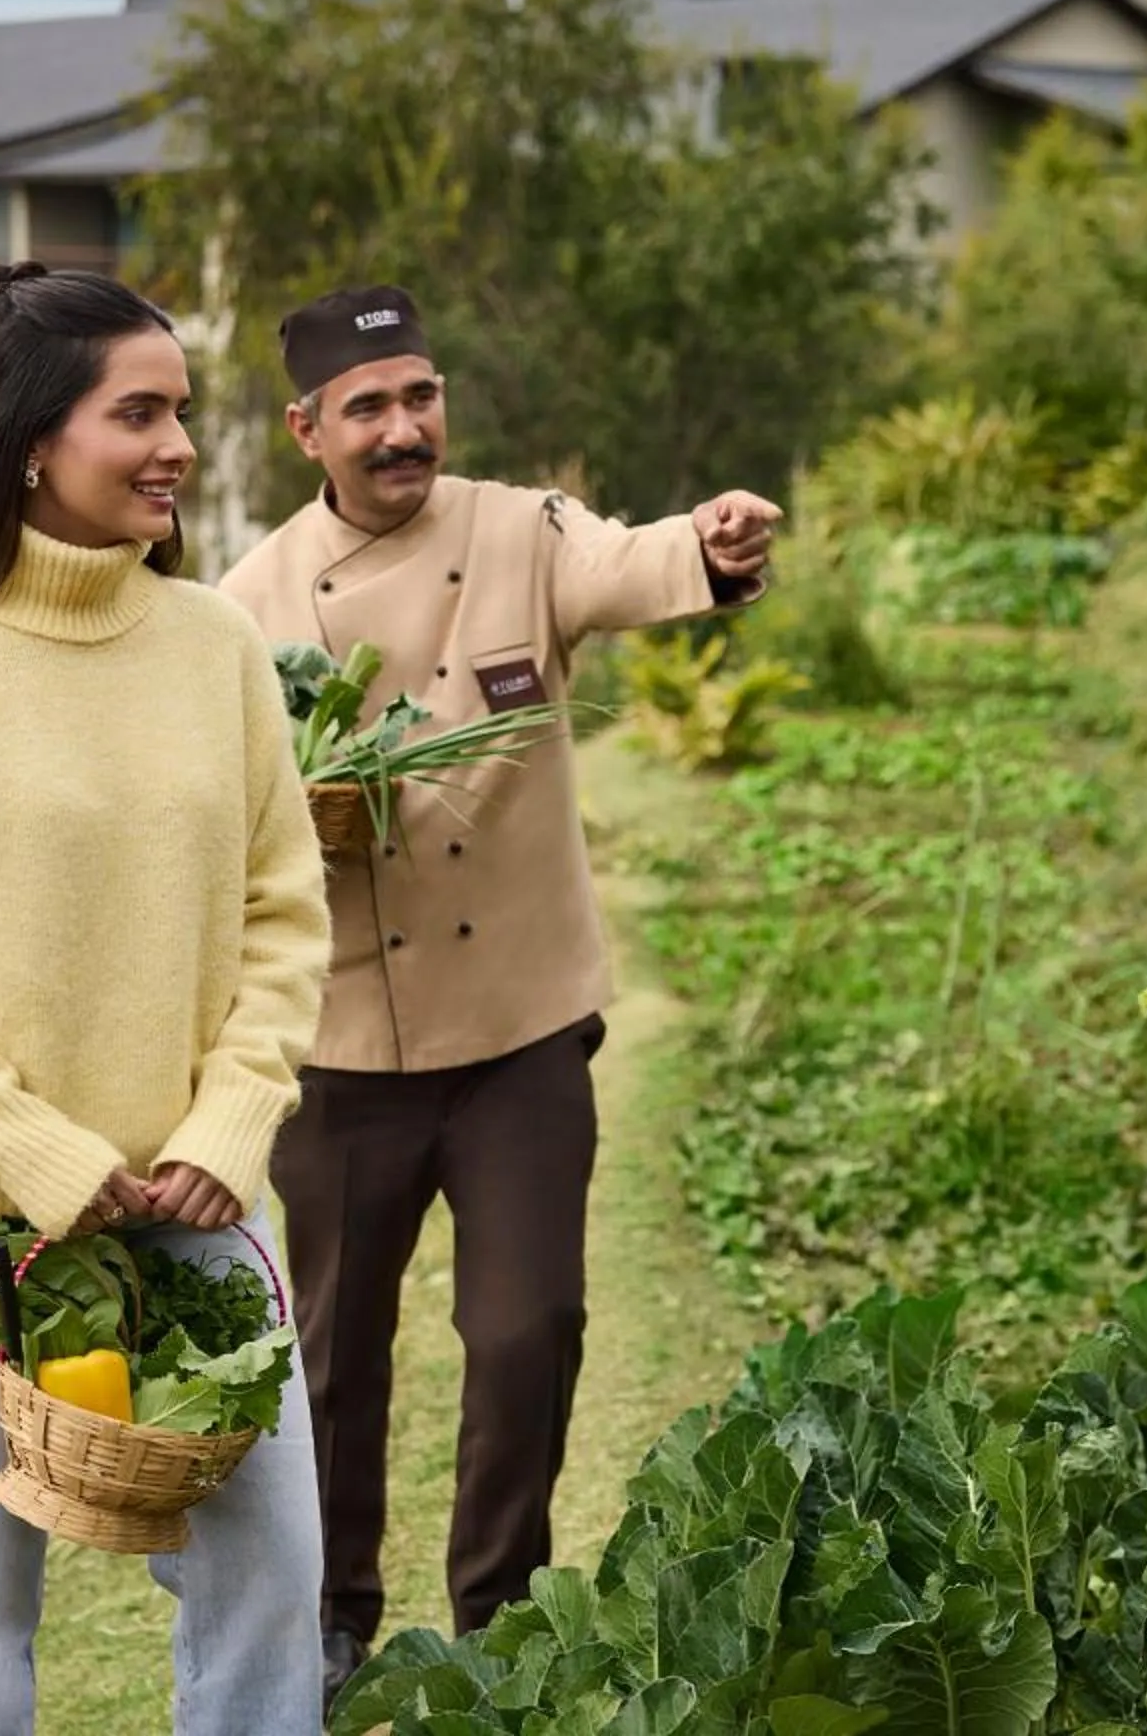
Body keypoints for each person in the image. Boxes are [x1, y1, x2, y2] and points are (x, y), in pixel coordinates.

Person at [0, 262, 335, 1736]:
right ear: (35, 437)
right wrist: (30, 1151)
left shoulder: (215, 648)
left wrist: (230, 1130)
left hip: (200, 1206)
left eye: (182, 411)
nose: (178, 446)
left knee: (277, 1582)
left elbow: (286, 913)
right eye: (137, 413)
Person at [218, 284, 779, 1693]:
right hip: (345, 1043)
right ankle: (335, 1619)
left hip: (523, 1029)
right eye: (368, 408)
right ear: (306, 430)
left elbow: (635, 563)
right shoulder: (246, 605)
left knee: (530, 1331)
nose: (403, 428)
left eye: (420, 395)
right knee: (338, 1358)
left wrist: (712, 547)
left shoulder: (524, 533)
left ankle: (499, 1626)